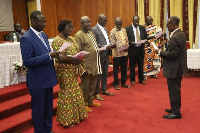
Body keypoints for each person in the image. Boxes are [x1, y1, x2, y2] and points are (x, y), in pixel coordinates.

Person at [20, 11, 58, 133]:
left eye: (44, 21)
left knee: (47, 108)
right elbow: (28, 61)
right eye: (41, 21)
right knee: (38, 109)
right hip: (37, 81)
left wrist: (53, 55)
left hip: (48, 78)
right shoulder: (26, 38)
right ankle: (39, 131)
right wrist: (48, 56)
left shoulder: (44, 35)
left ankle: (48, 129)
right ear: (33, 21)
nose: (44, 24)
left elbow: (46, 54)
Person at [51, 19, 87, 127]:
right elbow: (60, 57)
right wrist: (74, 60)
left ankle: (77, 116)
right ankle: (66, 120)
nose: (71, 29)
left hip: (73, 70)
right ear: (62, 28)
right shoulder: (58, 40)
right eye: (69, 27)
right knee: (67, 94)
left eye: (72, 27)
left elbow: (76, 50)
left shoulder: (71, 39)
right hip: (64, 71)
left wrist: (79, 57)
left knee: (75, 92)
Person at [155, 16, 187, 119]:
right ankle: (174, 108)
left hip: (174, 69)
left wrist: (160, 52)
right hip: (178, 67)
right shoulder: (181, 34)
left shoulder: (175, 37)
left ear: (173, 24)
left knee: (174, 91)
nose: (167, 27)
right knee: (175, 90)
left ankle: (176, 112)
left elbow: (173, 54)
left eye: (168, 24)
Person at [74, 16, 101, 113]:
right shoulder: (78, 35)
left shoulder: (90, 33)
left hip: (94, 63)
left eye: (90, 22)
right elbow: (77, 52)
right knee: (85, 85)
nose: (89, 24)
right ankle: (83, 104)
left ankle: (90, 101)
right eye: (87, 22)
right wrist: (82, 66)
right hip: (86, 65)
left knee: (93, 83)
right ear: (81, 24)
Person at [91, 14, 114, 101]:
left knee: (105, 73)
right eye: (104, 21)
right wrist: (104, 46)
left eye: (106, 21)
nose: (105, 22)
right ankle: (96, 93)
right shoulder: (94, 29)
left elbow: (107, 40)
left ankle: (104, 89)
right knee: (99, 74)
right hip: (100, 55)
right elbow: (95, 43)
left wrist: (111, 44)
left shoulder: (105, 29)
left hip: (106, 53)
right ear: (99, 20)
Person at [126, 15, 148, 86]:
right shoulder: (128, 29)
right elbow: (126, 40)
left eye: (138, 21)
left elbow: (146, 37)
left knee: (140, 65)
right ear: (132, 21)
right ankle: (132, 80)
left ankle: (141, 79)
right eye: (135, 21)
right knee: (132, 65)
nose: (137, 23)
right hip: (132, 49)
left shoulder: (142, 28)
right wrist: (130, 42)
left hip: (140, 49)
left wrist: (145, 41)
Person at [110, 17, 130, 90]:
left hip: (124, 53)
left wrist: (127, 46)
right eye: (118, 24)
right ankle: (116, 84)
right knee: (115, 70)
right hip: (116, 54)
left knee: (124, 69)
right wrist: (118, 46)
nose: (119, 25)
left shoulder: (124, 30)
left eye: (120, 24)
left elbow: (127, 40)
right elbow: (112, 43)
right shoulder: (112, 31)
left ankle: (123, 82)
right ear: (115, 23)